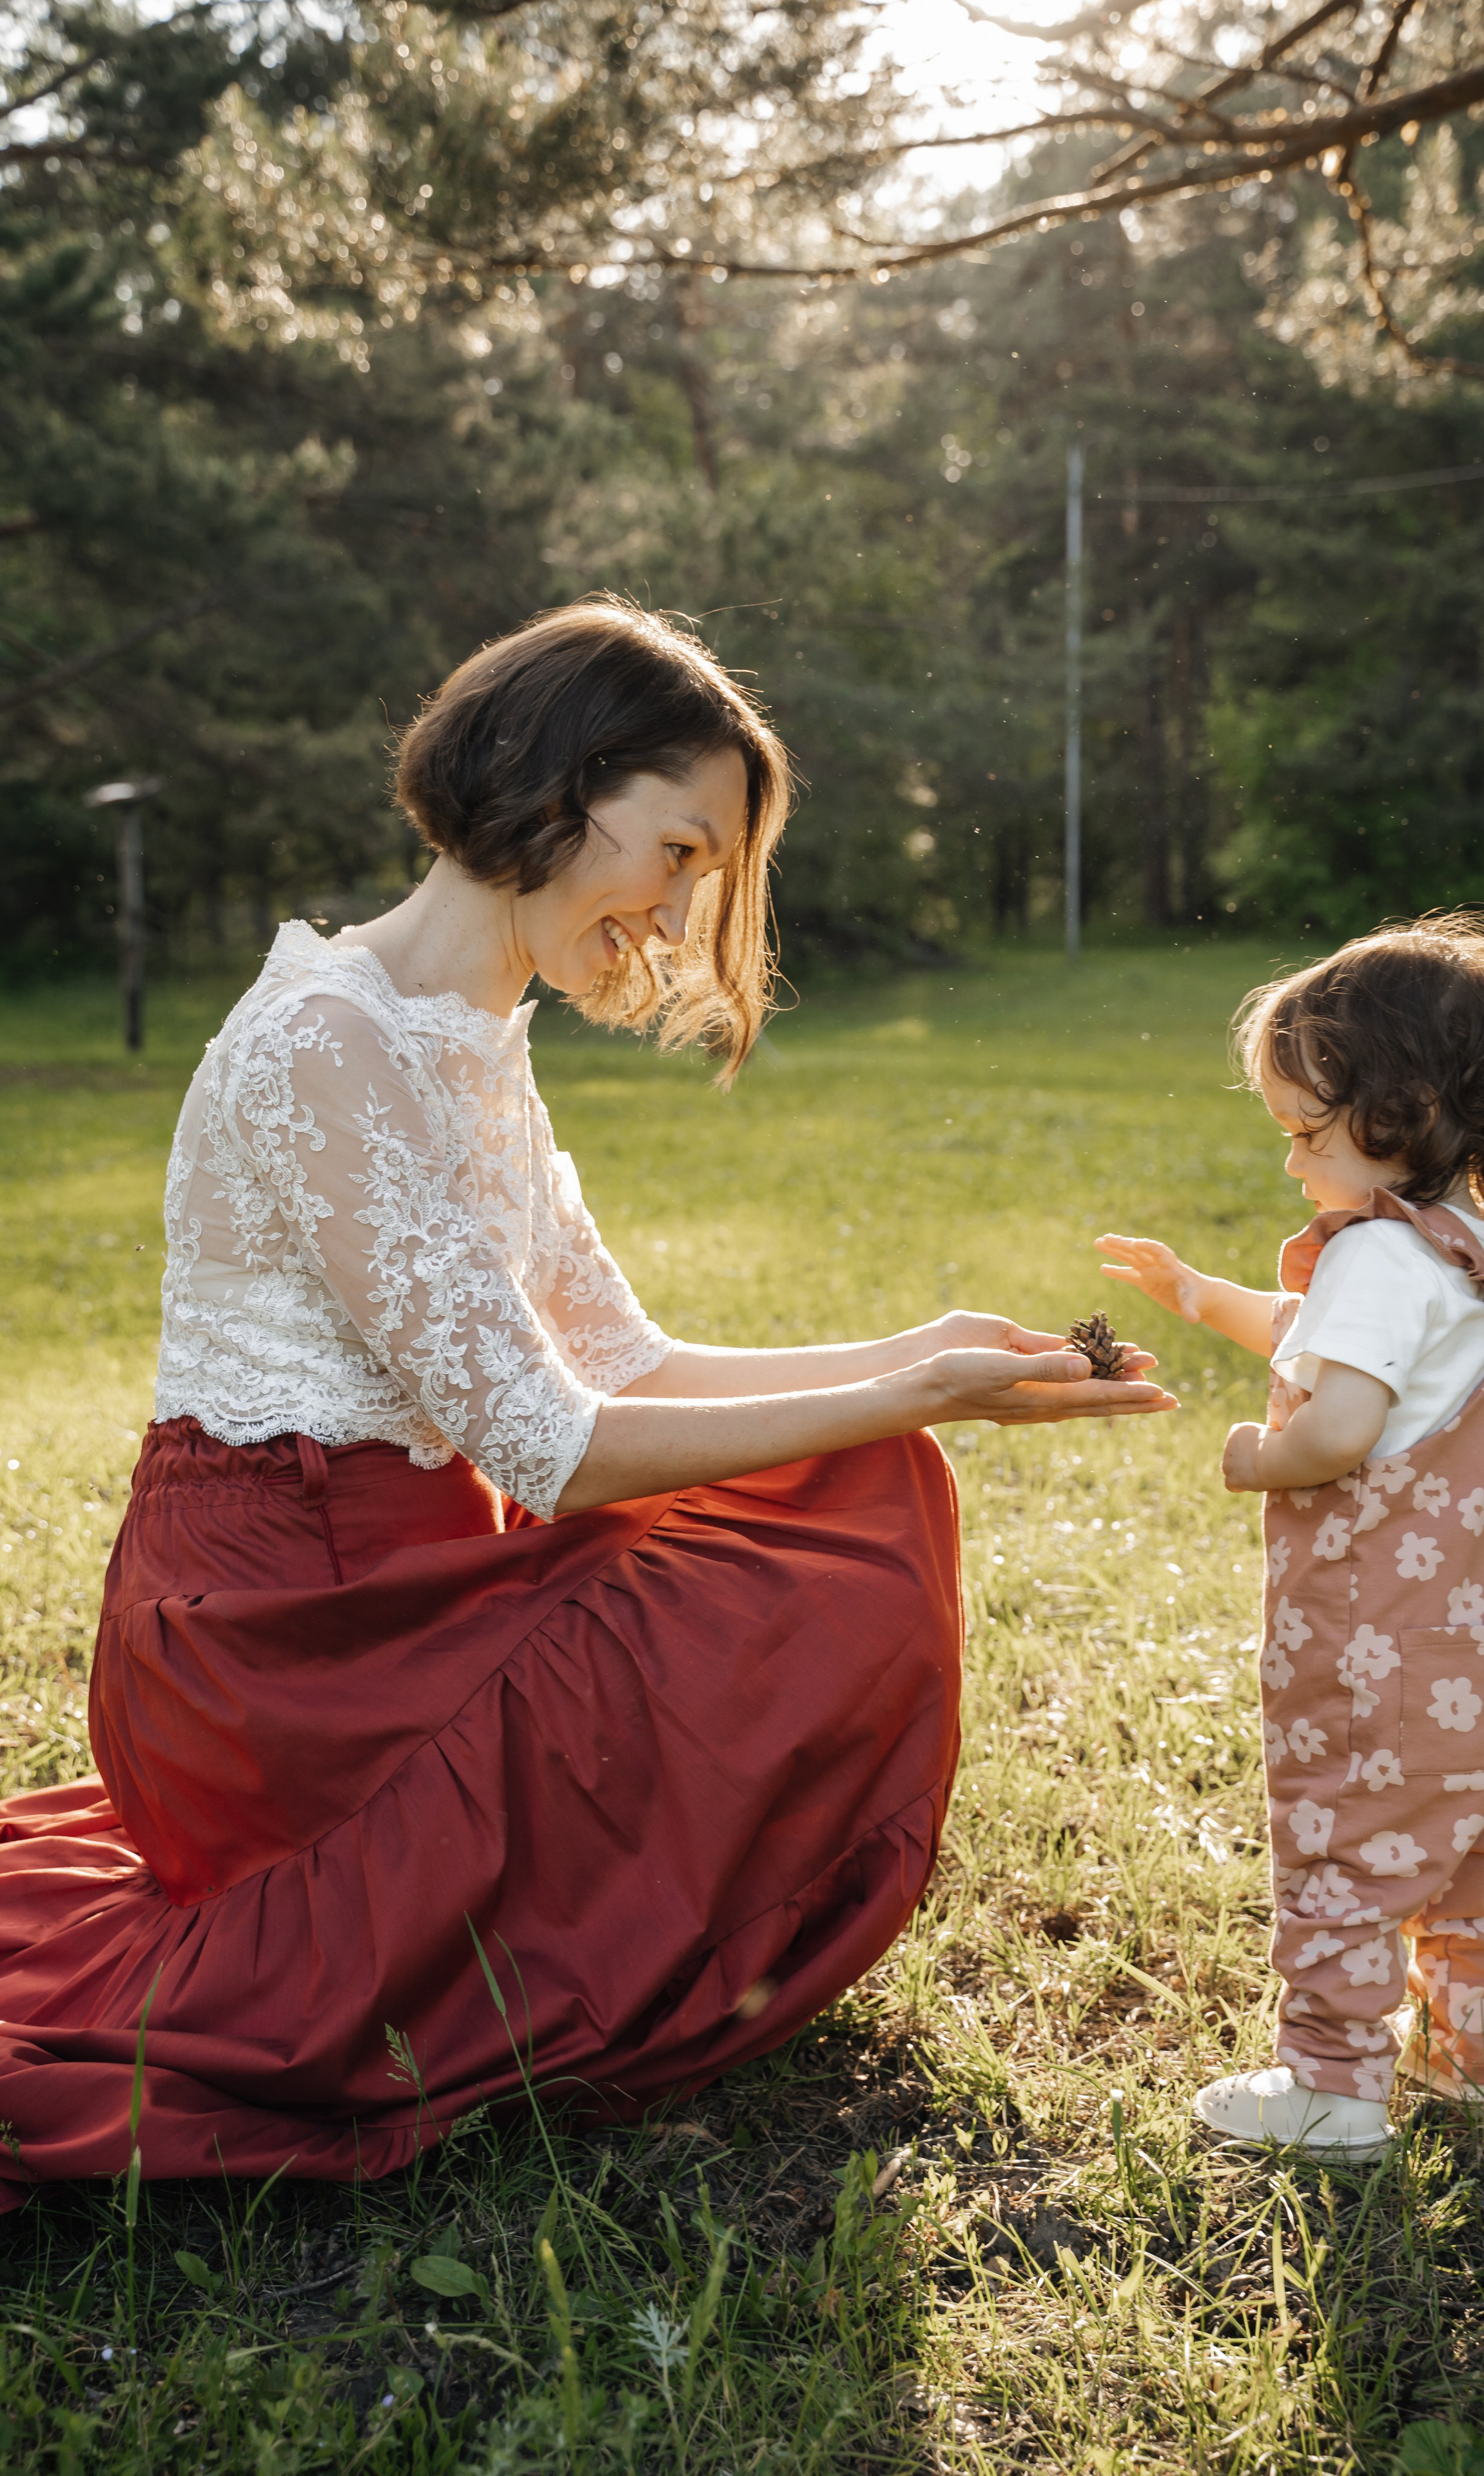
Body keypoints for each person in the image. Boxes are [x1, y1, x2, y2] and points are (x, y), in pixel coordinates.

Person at [0, 599, 1173, 2214]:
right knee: (857, 1476)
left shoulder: (466, 1032)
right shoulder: (322, 1044)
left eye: (707, 874)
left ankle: (623, 1914)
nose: (681, 908)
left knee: (866, 1478)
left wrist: (921, 1359)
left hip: (402, 1582)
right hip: (279, 1642)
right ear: (559, 778)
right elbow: (552, 1450)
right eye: (680, 849)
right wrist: (908, 1392)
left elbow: (618, 1362)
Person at [1100, 914, 1484, 2159]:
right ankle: (1469, 2066)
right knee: (1460, 1860)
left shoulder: (1374, 1259)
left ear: (1402, 1112)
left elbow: (1344, 1422)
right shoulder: (1463, 1252)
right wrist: (1199, 1295)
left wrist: (1259, 1457)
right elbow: (1335, 1341)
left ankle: (1334, 2089)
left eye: (1307, 1133)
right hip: (1481, 1669)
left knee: (1339, 1866)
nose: (1294, 1160)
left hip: (1374, 1666)